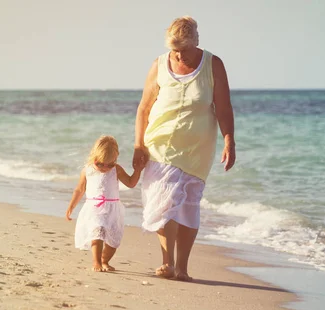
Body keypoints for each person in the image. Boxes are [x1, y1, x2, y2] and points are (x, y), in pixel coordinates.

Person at [132, 16, 236, 281]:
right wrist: (138, 145)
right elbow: (144, 108)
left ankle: (182, 268)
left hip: (197, 149)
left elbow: (223, 108)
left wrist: (229, 140)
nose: (178, 55)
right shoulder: (159, 64)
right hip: (160, 145)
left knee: (189, 205)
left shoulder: (213, 65)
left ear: (196, 41)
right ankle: (166, 263)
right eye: (174, 49)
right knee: (164, 200)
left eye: (183, 50)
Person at [66, 135, 145, 272]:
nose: (105, 167)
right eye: (100, 164)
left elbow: (131, 183)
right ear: (94, 156)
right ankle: (96, 262)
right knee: (97, 233)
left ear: (116, 159)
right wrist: (71, 206)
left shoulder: (116, 169)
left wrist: (138, 170)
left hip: (113, 210)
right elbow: (79, 190)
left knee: (113, 241)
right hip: (94, 208)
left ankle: (104, 261)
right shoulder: (88, 170)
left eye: (110, 164)